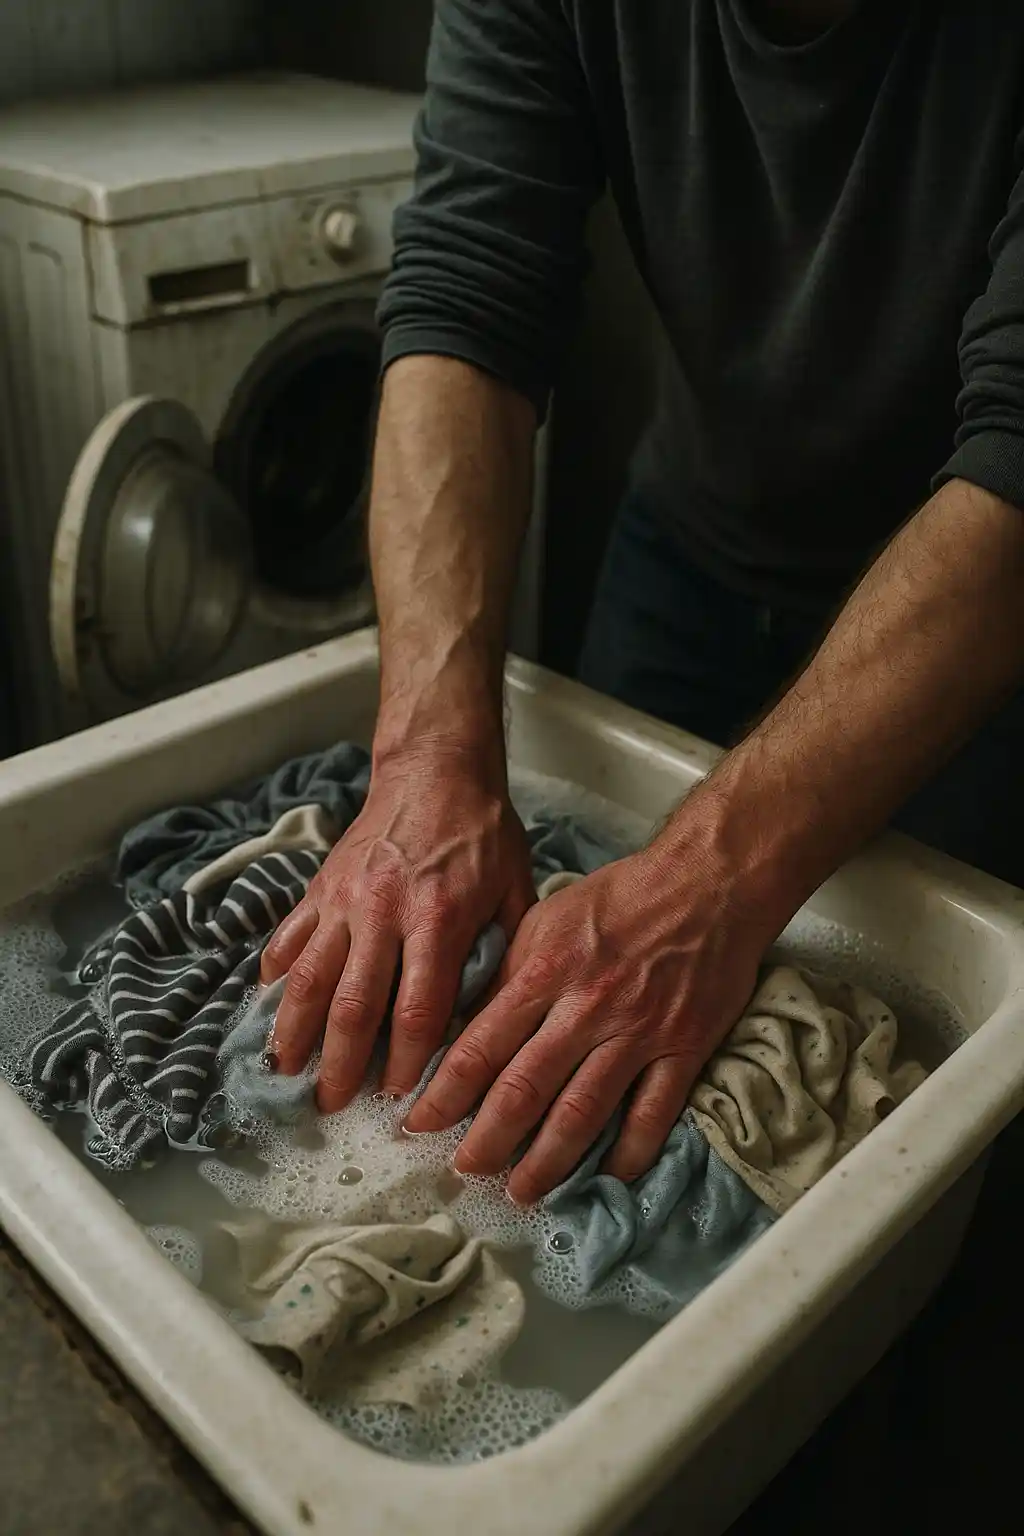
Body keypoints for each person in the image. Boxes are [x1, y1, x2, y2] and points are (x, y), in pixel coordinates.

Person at [263, 0, 1024, 1206]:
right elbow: (467, 299)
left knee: (915, 1140)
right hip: (686, 550)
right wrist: (424, 760)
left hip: (974, 619)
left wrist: (710, 884)